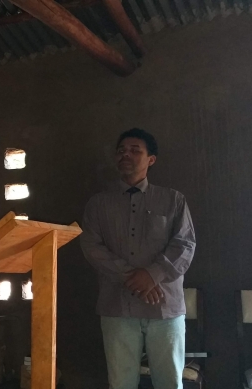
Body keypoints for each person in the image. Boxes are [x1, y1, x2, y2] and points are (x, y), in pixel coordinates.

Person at [80, 128, 196, 389]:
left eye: (135, 150)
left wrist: (152, 275)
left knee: (169, 382)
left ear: (151, 159)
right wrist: (133, 277)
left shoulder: (173, 200)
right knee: (120, 383)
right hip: (116, 308)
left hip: (165, 308)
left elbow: (185, 245)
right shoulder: (99, 204)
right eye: (121, 151)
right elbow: (91, 246)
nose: (126, 155)